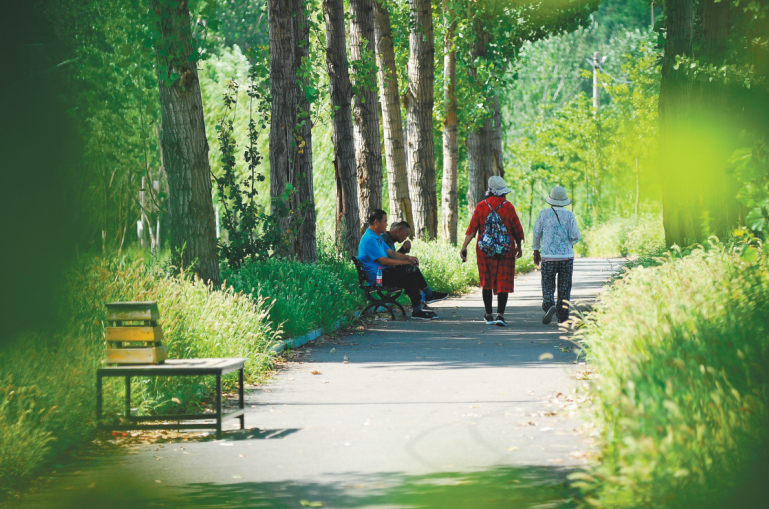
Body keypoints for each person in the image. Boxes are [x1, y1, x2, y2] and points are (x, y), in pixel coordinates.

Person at [358, 210, 448, 320]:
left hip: (384, 273)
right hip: (378, 277)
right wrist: (405, 262)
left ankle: (419, 306)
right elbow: (383, 261)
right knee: (409, 270)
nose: (387, 224)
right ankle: (424, 300)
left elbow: (391, 253)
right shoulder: (369, 239)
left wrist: (409, 258)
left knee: (410, 270)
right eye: (385, 221)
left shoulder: (378, 237)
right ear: (376, 222)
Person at [459, 176, 524, 327]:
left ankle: (488, 315)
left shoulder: (481, 205)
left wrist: (464, 246)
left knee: (486, 281)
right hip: (505, 250)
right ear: (503, 192)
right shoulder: (508, 206)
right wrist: (519, 247)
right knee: (503, 281)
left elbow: (472, 229)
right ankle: (500, 315)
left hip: (484, 251)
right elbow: (517, 229)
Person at [532, 185, 581, 325]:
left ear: (551, 199)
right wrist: (571, 242)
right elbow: (575, 235)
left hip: (548, 257)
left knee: (548, 285)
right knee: (564, 288)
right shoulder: (569, 215)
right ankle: (562, 318)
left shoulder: (543, 214)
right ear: (564, 200)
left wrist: (536, 251)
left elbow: (537, 233)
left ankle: (549, 305)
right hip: (566, 257)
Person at [380, 220, 448, 307]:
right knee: (410, 270)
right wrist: (404, 251)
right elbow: (388, 260)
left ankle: (421, 303)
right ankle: (426, 297)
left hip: (387, 272)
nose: (406, 237)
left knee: (411, 269)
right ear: (399, 229)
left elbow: (392, 256)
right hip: (381, 274)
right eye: (406, 234)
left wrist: (406, 255)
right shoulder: (384, 238)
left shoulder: (388, 238)